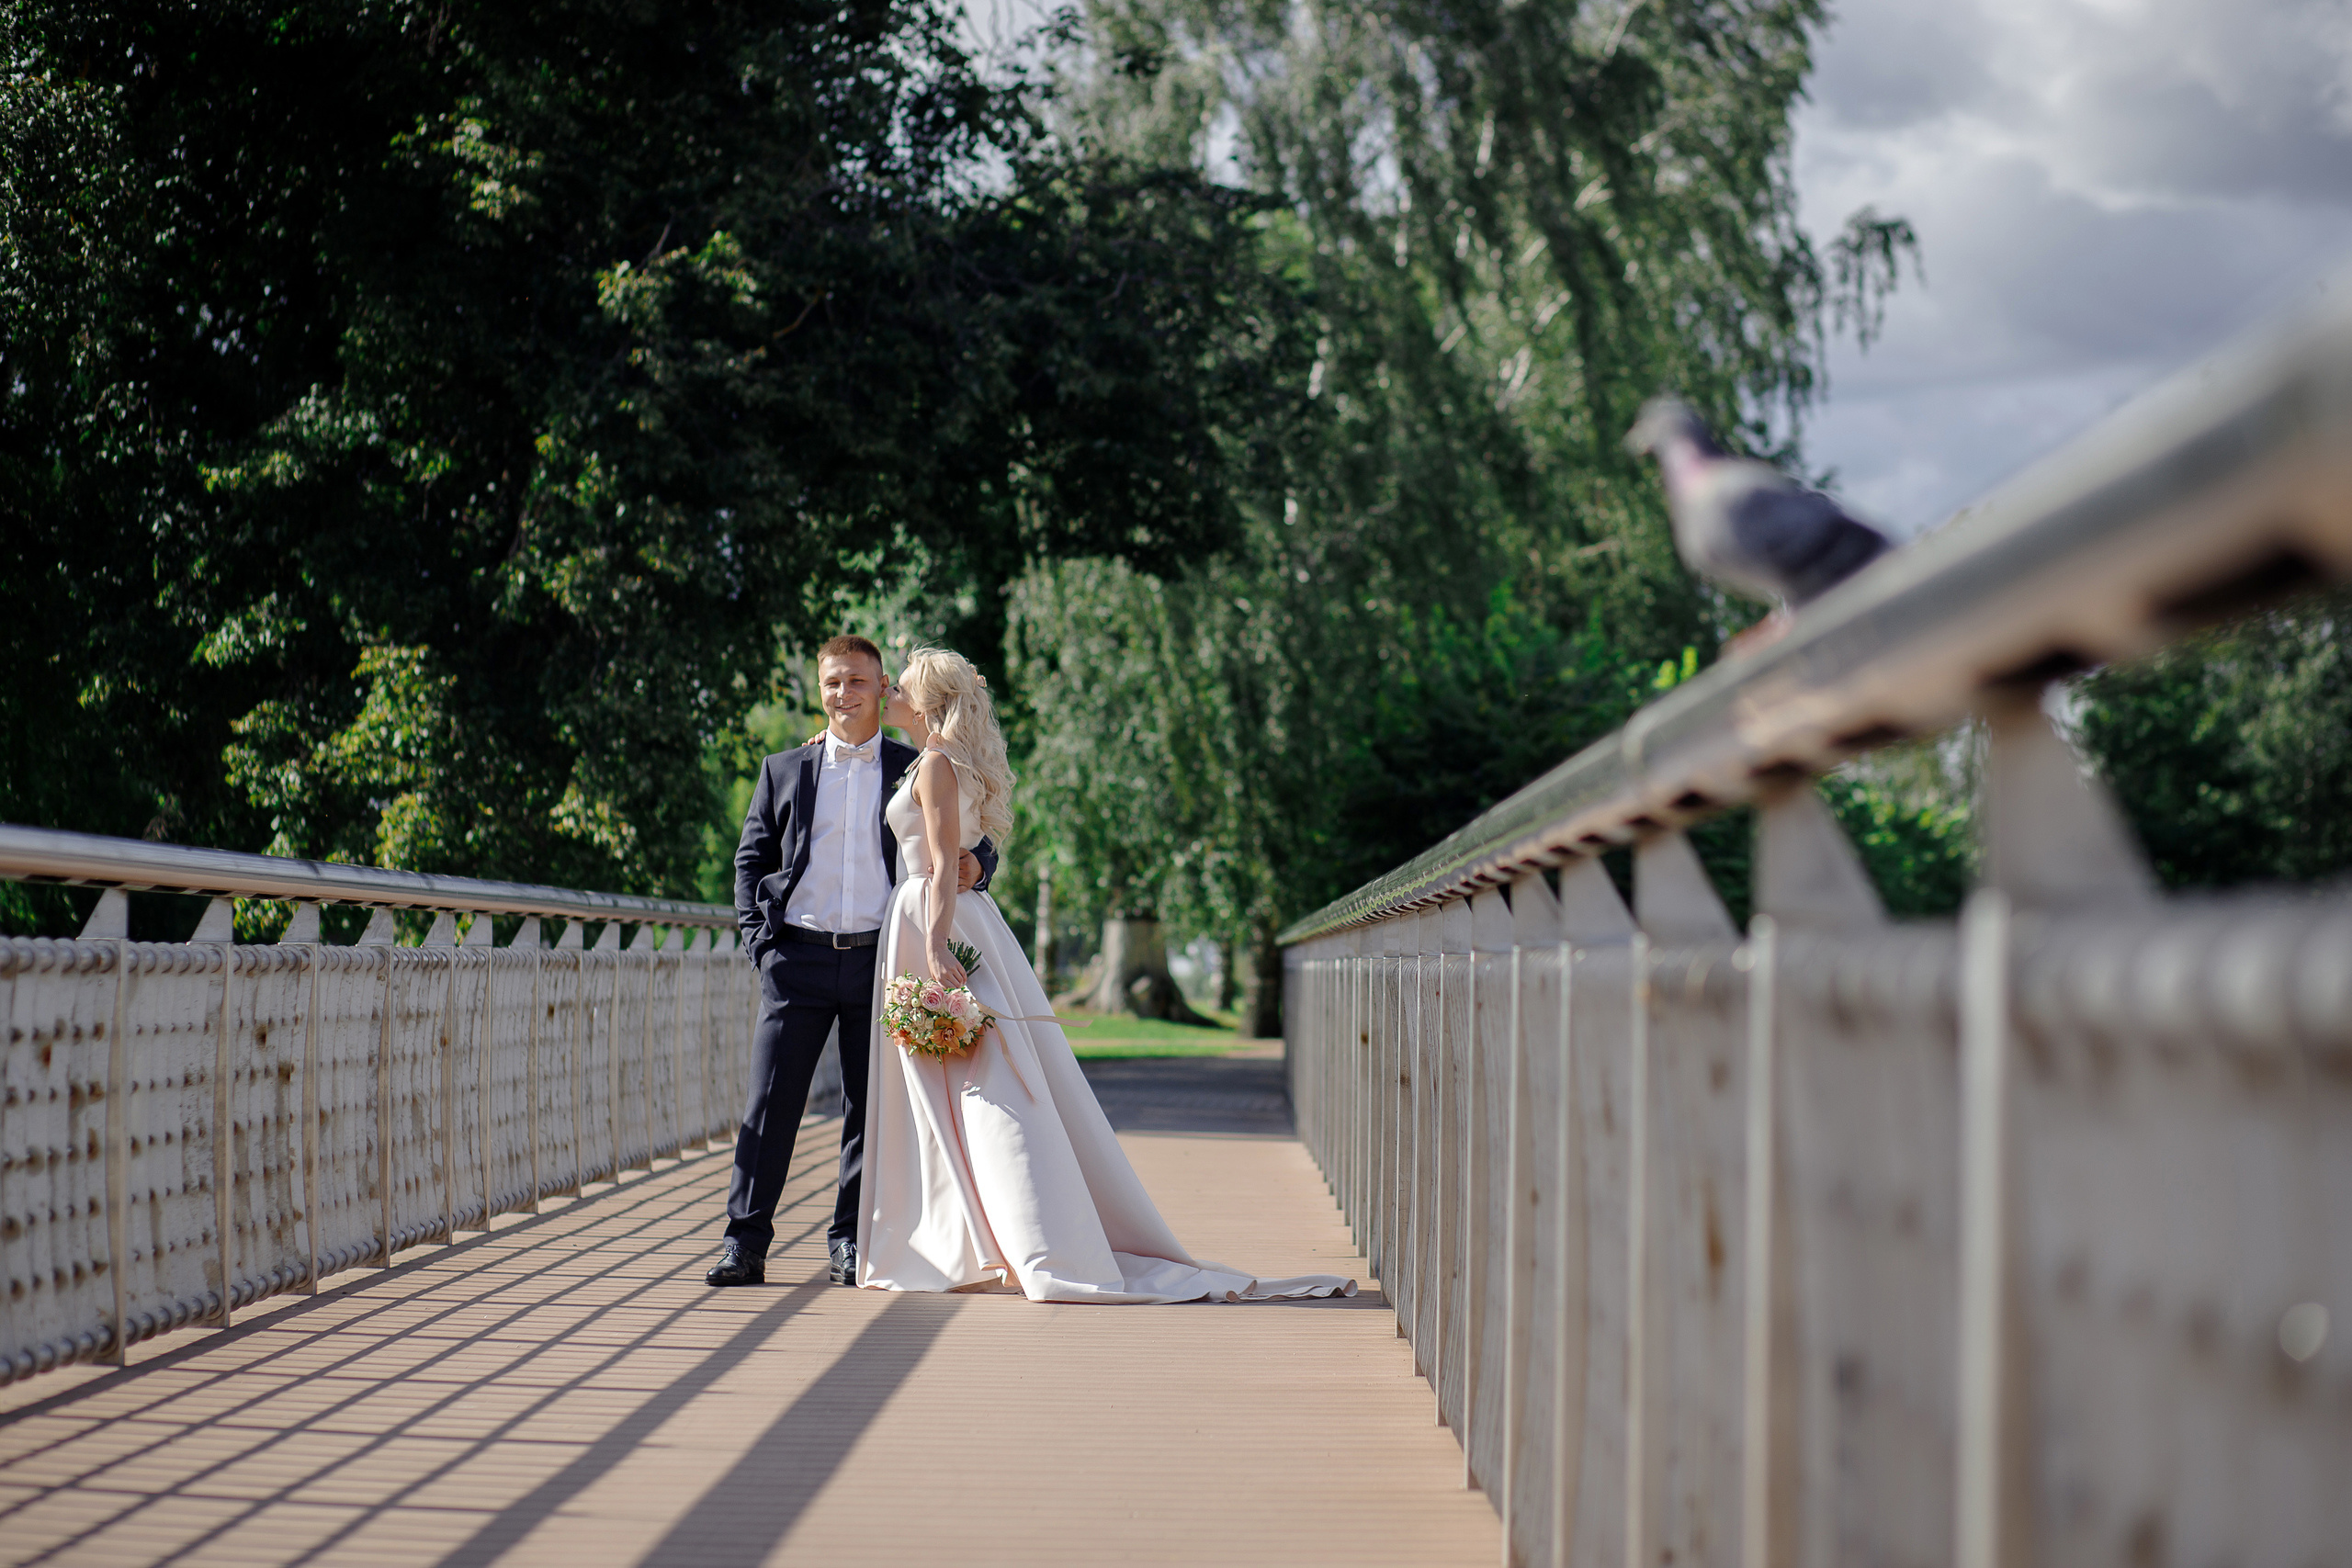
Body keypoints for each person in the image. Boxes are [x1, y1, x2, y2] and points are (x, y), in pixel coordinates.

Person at [855, 646, 1356, 1303]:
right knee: (955, 1076)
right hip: (933, 916)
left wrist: (940, 944)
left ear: (925, 702)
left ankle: (1020, 1233)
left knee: (981, 1075)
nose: (888, 692)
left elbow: (947, 860)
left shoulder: (938, 766)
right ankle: (967, 1233)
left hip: (937, 919)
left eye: (900, 687)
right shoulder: (936, 762)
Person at [707, 635, 997, 1289]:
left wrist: (985, 865)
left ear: (882, 684)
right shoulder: (784, 769)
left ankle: (847, 1240)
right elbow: (749, 861)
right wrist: (763, 945)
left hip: (880, 962)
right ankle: (744, 1243)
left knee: (869, 1112)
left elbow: (962, 827)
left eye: (858, 682)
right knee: (768, 1107)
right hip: (796, 962)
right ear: (820, 687)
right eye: (834, 682)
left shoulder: (910, 763)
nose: (845, 694)